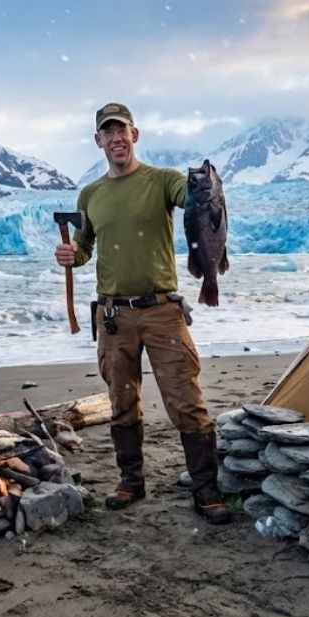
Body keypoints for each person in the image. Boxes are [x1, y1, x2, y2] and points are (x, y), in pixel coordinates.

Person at [54, 102, 231, 525]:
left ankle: (206, 488)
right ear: (98, 140)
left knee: (186, 400)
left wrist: (208, 188)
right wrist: (70, 254)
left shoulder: (164, 180)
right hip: (113, 316)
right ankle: (131, 481)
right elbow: (85, 248)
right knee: (121, 402)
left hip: (162, 311)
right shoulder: (91, 194)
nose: (115, 138)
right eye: (106, 132)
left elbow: (197, 203)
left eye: (122, 130)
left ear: (135, 134)